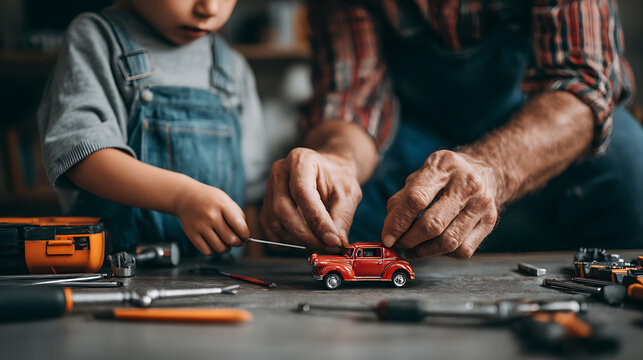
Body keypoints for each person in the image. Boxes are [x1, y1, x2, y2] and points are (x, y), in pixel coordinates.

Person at [260, 0, 642, 259]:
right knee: (318, 221)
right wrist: (338, 160)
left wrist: (493, 168)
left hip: (540, 122)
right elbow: (351, 100)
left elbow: (583, 83)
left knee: (631, 173)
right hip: (409, 134)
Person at [38, 0, 268, 255]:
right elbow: (81, 157)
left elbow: (252, 195)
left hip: (220, 279)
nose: (209, 9)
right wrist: (182, 198)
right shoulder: (97, 39)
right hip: (119, 274)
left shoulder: (234, 67)